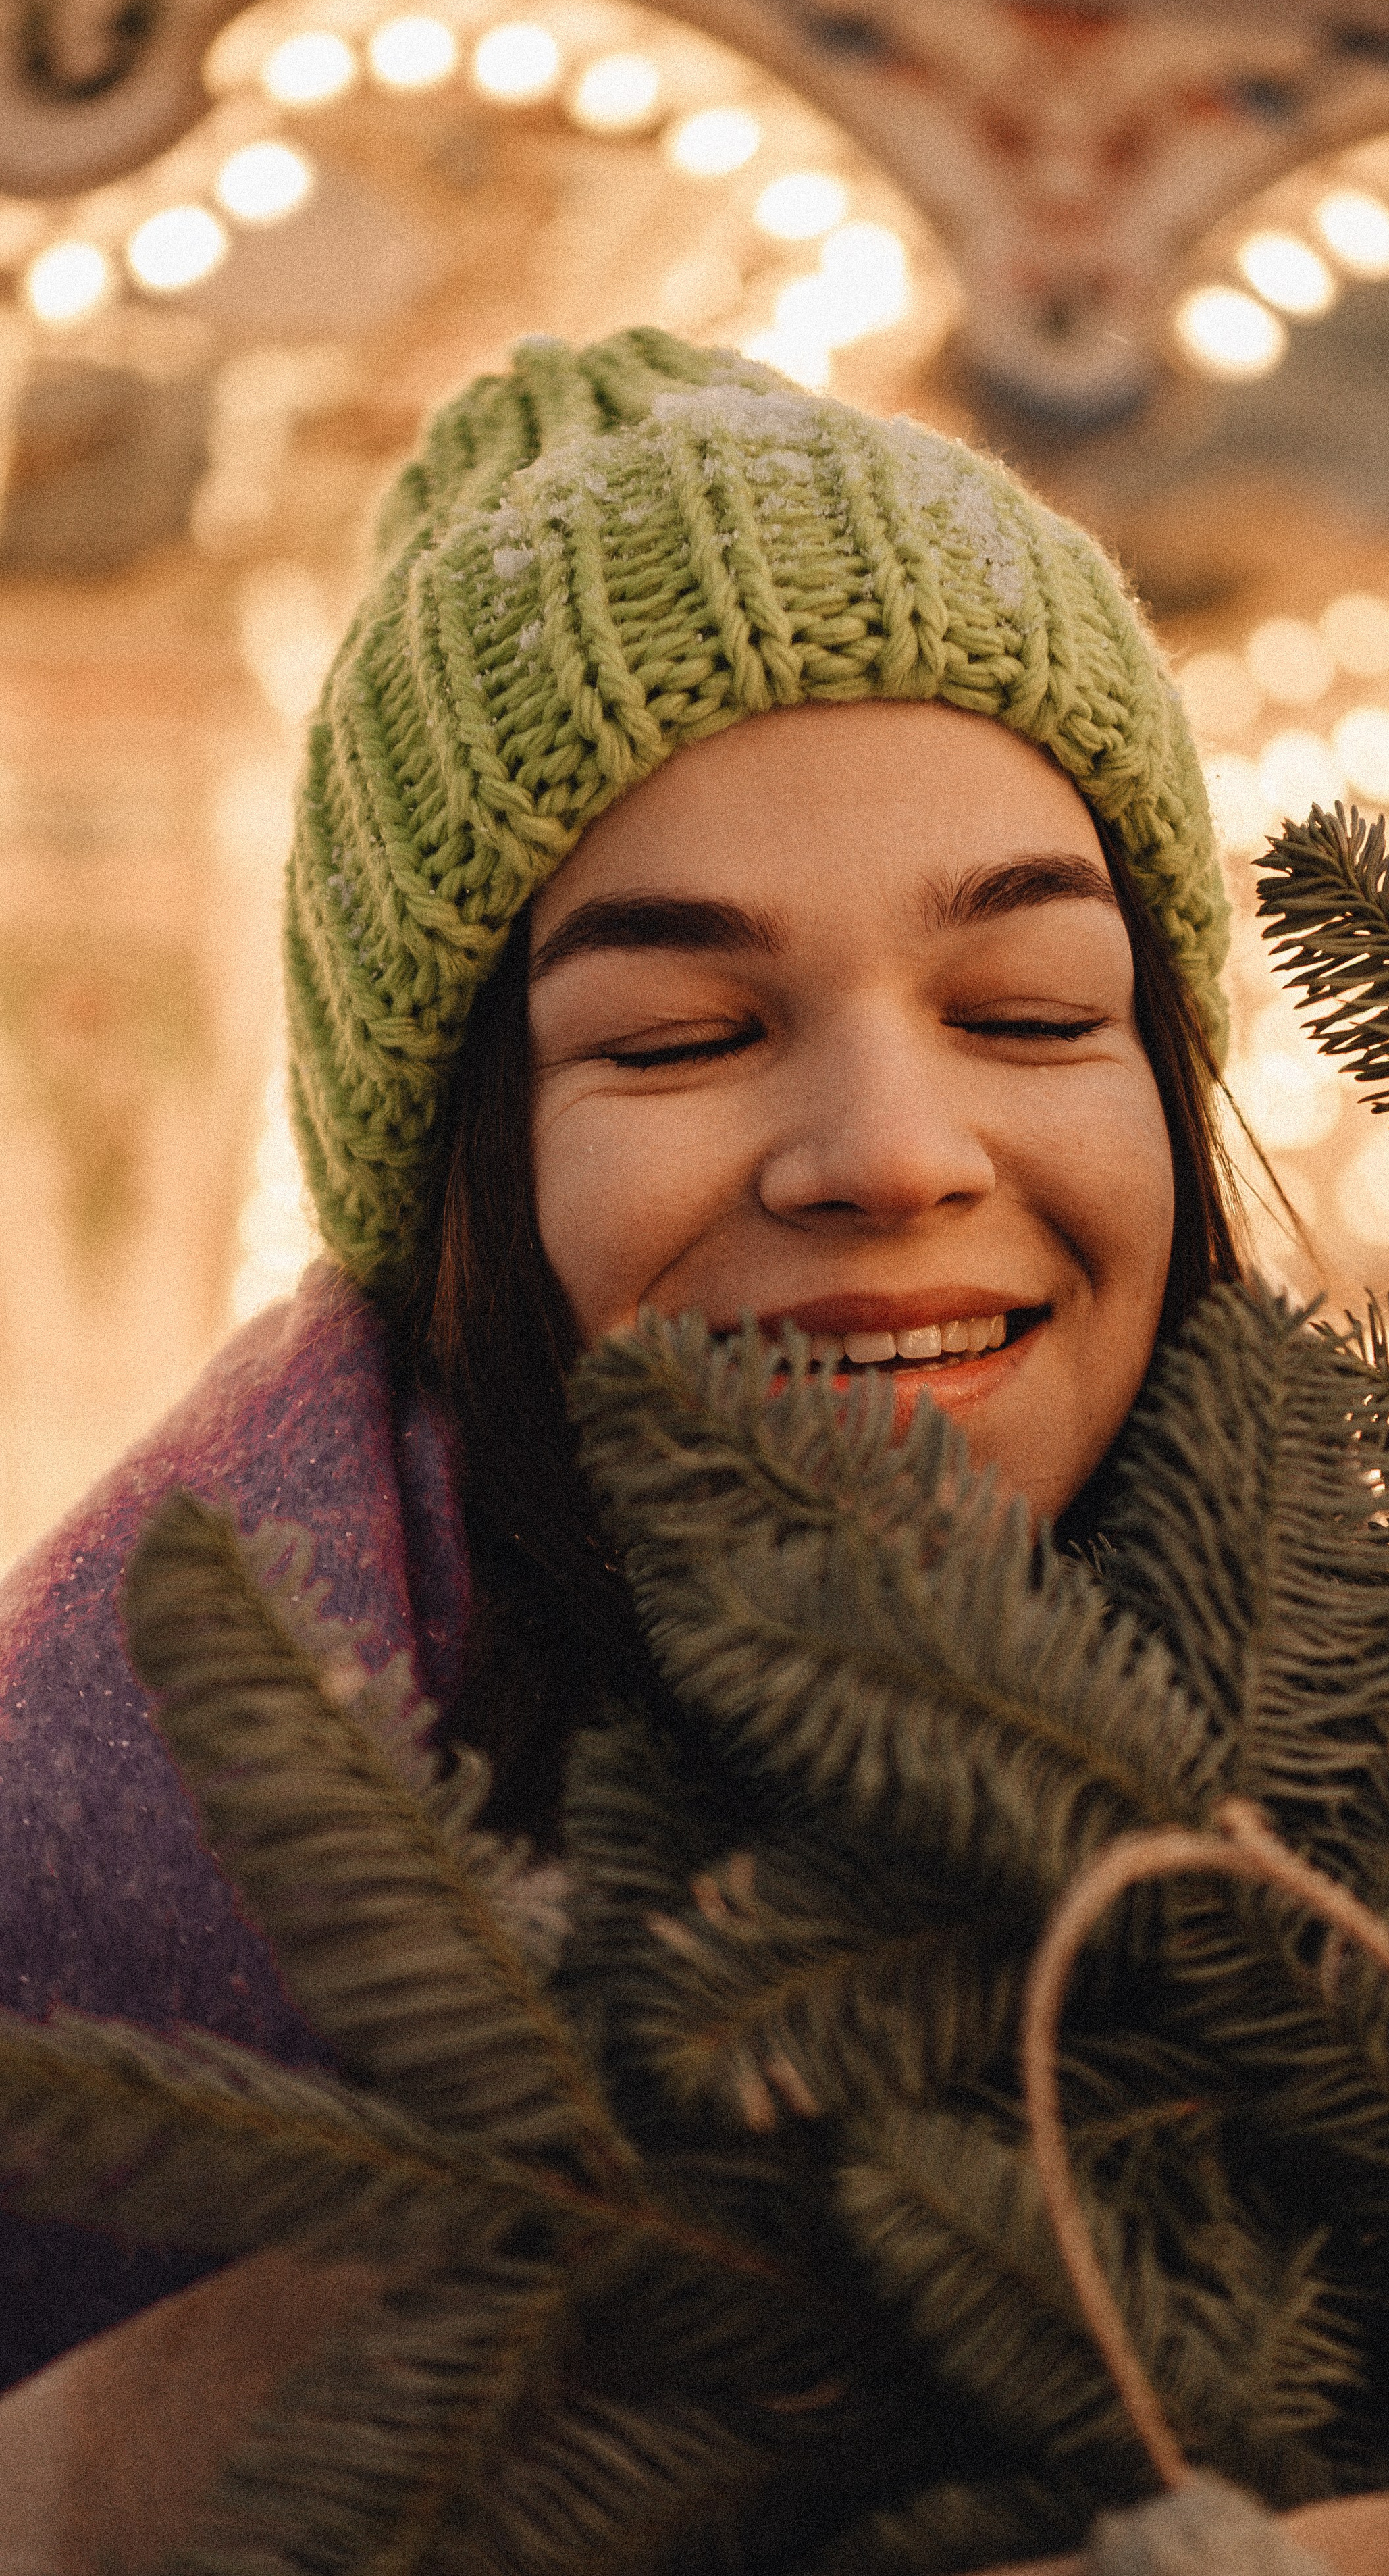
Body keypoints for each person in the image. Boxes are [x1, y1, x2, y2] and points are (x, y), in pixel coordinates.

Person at [0, 328, 1238, 2388]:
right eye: (678, 1040)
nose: (895, 1156)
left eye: (1027, 1009)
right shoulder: (101, 1925)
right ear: (457, 1192)